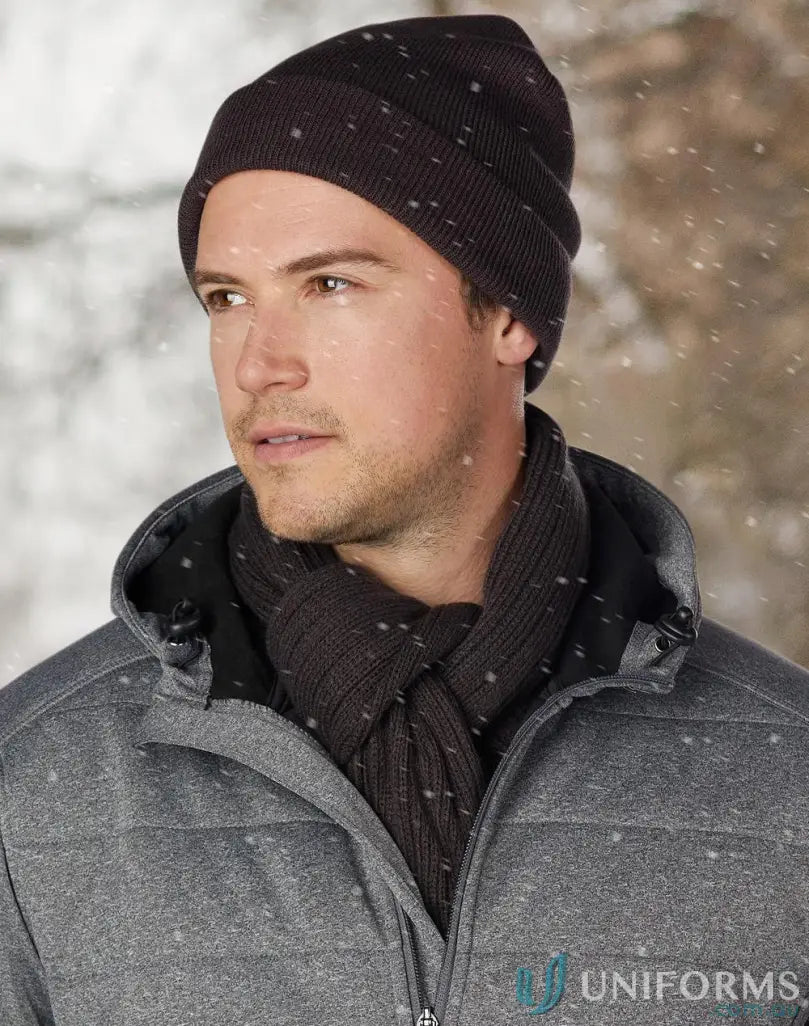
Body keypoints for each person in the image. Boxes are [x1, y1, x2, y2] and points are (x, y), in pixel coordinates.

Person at [2, 14, 807, 1026]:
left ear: (508, 313)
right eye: (225, 298)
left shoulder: (779, 777)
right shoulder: (35, 793)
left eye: (329, 284)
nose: (259, 364)